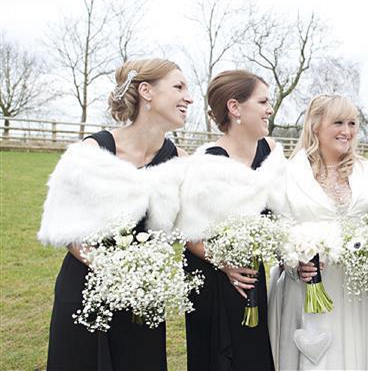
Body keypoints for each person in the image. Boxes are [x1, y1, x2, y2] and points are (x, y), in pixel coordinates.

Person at [38, 58, 193, 370]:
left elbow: (196, 227)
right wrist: (116, 271)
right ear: (146, 91)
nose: (189, 97)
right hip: (85, 287)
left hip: (143, 299)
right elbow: (65, 228)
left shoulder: (180, 161)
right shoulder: (91, 152)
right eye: (179, 86)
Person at [175, 70, 285, 371]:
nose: (269, 109)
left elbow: (282, 213)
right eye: (262, 101)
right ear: (235, 108)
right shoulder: (206, 162)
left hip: (251, 276)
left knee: (254, 355)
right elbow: (186, 232)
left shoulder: (272, 152)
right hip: (213, 279)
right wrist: (224, 263)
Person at [268, 94, 368, 370]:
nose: (347, 131)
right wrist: (295, 262)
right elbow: (279, 228)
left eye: (352, 123)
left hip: (355, 289)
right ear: (315, 125)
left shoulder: (367, 171)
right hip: (308, 287)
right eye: (338, 122)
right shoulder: (288, 173)